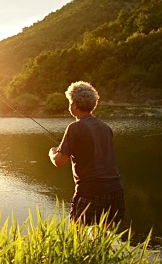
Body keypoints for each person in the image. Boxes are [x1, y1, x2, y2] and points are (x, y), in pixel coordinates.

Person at [48, 81, 124, 226]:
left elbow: (59, 162)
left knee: (78, 237)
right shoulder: (105, 128)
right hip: (116, 192)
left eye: (70, 102)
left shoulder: (75, 127)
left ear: (75, 104)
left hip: (90, 192)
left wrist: (52, 152)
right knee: (103, 239)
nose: (70, 106)